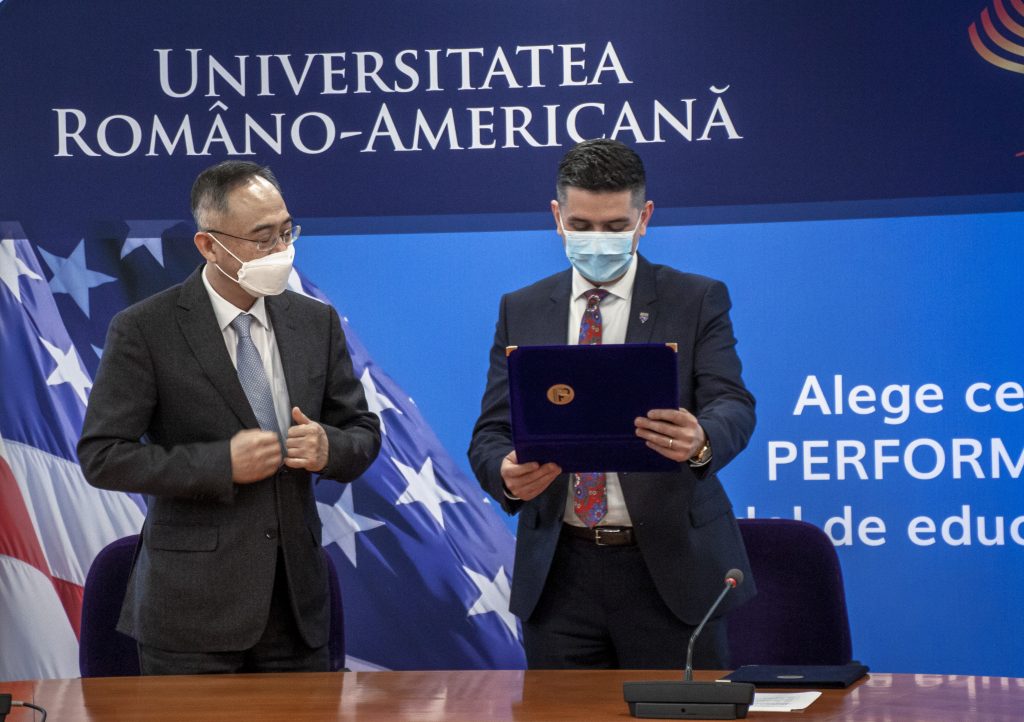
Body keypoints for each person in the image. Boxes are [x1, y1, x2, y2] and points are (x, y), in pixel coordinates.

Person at [78, 160, 381, 675]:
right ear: (208, 245)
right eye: (262, 238)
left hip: (297, 610)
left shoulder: (316, 322)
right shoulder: (145, 329)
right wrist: (221, 464)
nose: (280, 250)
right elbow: (102, 456)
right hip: (190, 616)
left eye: (286, 232)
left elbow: (363, 432)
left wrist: (330, 448)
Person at [469, 139, 756, 669]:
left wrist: (701, 439)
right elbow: (491, 433)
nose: (597, 240)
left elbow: (732, 403)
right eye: (581, 225)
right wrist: (505, 475)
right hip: (559, 577)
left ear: (644, 218)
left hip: (671, 569)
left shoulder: (696, 299)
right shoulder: (521, 308)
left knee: (682, 710)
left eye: (615, 226)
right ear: (556, 218)